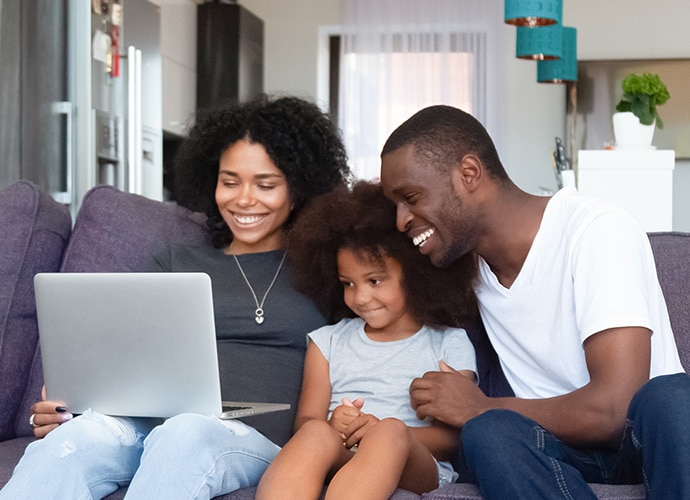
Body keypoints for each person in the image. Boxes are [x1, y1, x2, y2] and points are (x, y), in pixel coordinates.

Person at [0, 95, 351, 499]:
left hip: (248, 438)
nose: (243, 199)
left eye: (266, 184)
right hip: (147, 424)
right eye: (230, 181)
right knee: (70, 444)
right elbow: (123, 357)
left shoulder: (326, 268)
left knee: (186, 433)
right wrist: (73, 408)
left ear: (299, 189)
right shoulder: (175, 261)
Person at [378, 104, 690, 499]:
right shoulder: (462, 272)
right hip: (554, 451)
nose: (401, 220)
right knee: (489, 433)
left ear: (468, 173)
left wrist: (480, 405)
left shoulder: (595, 229)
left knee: (670, 397)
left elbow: (616, 408)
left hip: (643, 440)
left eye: (411, 198)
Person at [255, 181, 479, 500]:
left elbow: (449, 439)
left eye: (374, 280)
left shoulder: (449, 342)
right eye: (348, 283)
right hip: (343, 453)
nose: (360, 297)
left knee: (389, 431)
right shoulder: (327, 341)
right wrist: (334, 424)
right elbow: (306, 420)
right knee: (315, 432)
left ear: (415, 274)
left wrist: (375, 432)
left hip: (416, 462)